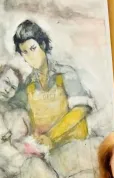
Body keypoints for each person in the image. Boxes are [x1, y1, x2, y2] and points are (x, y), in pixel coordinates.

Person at [13, 19, 94, 148]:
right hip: (46, 149)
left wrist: (51, 136)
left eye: (33, 49)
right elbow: (24, 113)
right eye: (25, 52)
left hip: (74, 144)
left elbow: (81, 109)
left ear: (43, 45)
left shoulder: (65, 73)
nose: (30, 57)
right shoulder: (28, 83)